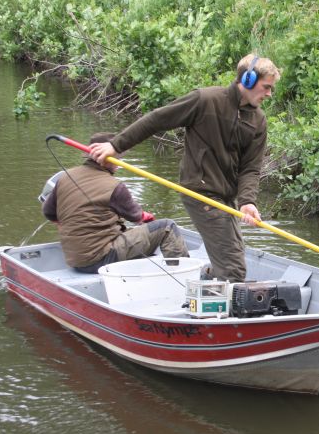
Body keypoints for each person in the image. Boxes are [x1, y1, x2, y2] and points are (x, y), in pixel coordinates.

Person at [87, 53, 281, 282]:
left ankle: (202, 282)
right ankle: (214, 298)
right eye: (266, 87)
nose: (269, 94)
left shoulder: (258, 121)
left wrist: (247, 201)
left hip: (226, 198)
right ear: (247, 80)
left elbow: (251, 168)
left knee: (234, 256)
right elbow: (156, 120)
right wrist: (115, 145)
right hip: (199, 192)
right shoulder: (205, 100)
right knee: (233, 270)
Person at [42, 133, 190, 273]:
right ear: (107, 159)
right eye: (117, 157)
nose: (119, 163)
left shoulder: (64, 178)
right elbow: (137, 216)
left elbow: (49, 213)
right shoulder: (114, 186)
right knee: (166, 227)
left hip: (76, 261)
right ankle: (184, 275)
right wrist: (145, 216)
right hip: (101, 259)